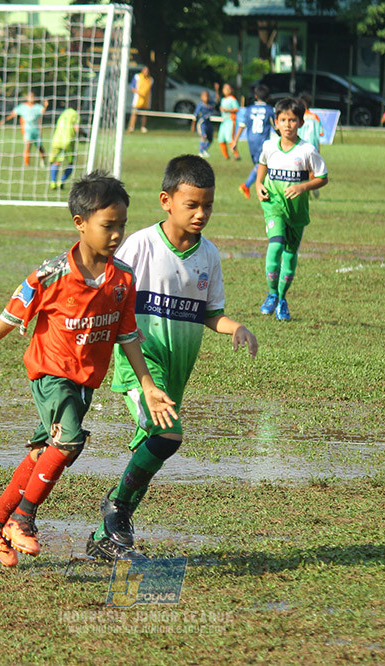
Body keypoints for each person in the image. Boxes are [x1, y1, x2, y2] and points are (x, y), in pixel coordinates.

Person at [0, 172, 178, 567]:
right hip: (50, 374)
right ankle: (22, 519)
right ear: (80, 223)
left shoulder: (123, 278)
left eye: (122, 225)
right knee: (68, 441)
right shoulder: (51, 275)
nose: (117, 235)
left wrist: (149, 385)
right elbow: (12, 313)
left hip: (85, 381)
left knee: (46, 453)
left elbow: (127, 336)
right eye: (108, 226)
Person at [84, 155, 258, 561]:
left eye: (208, 206)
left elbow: (210, 314)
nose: (201, 214)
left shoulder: (208, 255)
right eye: (191, 205)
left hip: (178, 370)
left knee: (154, 448)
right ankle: (116, 505)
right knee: (167, 436)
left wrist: (235, 327)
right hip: (141, 364)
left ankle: (104, 537)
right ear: (167, 201)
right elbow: (109, 291)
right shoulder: (141, 245)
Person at [255, 97, 329, 321]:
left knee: (289, 255)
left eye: (292, 120)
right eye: (283, 120)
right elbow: (262, 165)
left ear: (301, 123)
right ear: (276, 122)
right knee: (276, 245)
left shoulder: (307, 150)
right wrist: (258, 184)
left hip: (296, 211)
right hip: (273, 205)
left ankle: (281, 298)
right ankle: (271, 294)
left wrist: (303, 187)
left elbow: (323, 178)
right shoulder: (269, 146)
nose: (287, 124)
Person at [231, 84, 275, 199]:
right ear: (268, 97)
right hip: (262, 141)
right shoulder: (269, 110)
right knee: (262, 165)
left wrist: (235, 140)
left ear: (255, 96)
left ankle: (264, 189)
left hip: (251, 141)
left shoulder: (249, 109)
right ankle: (246, 186)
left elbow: (242, 125)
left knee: (261, 165)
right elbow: (275, 126)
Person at [1, 91, 47, 167]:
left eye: (33, 97)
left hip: (36, 130)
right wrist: (5, 120)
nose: (31, 98)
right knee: (27, 146)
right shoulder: (22, 107)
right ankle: (26, 163)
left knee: (40, 147)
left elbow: (43, 111)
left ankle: (43, 160)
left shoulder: (37, 107)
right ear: (27, 98)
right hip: (27, 130)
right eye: (30, 97)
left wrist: (45, 106)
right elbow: (14, 113)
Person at [48, 107, 81, 190]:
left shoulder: (63, 113)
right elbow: (77, 128)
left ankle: (53, 181)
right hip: (68, 140)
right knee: (71, 162)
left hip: (56, 140)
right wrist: (84, 134)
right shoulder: (75, 114)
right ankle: (62, 181)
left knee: (56, 161)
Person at [217, 83, 241, 160]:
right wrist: (216, 89)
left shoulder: (232, 99)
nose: (226, 90)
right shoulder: (223, 99)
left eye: (228, 89)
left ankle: (236, 155)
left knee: (230, 139)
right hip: (224, 121)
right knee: (221, 138)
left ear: (231, 90)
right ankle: (226, 156)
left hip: (230, 121)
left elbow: (237, 109)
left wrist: (227, 110)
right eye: (224, 89)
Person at [127, 66, 153, 133]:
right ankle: (131, 127)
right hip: (138, 99)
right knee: (134, 113)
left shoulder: (150, 79)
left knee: (144, 114)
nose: (146, 73)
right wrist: (139, 93)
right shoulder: (137, 77)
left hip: (146, 100)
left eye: (147, 71)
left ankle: (143, 127)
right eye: (145, 71)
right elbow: (132, 87)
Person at [191, 90, 216, 158]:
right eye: (205, 96)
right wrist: (193, 125)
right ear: (201, 97)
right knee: (203, 136)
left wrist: (216, 90)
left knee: (210, 139)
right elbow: (195, 116)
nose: (206, 98)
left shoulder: (211, 104)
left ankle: (205, 150)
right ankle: (201, 152)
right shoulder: (200, 106)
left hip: (209, 123)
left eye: (207, 96)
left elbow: (217, 100)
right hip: (202, 123)